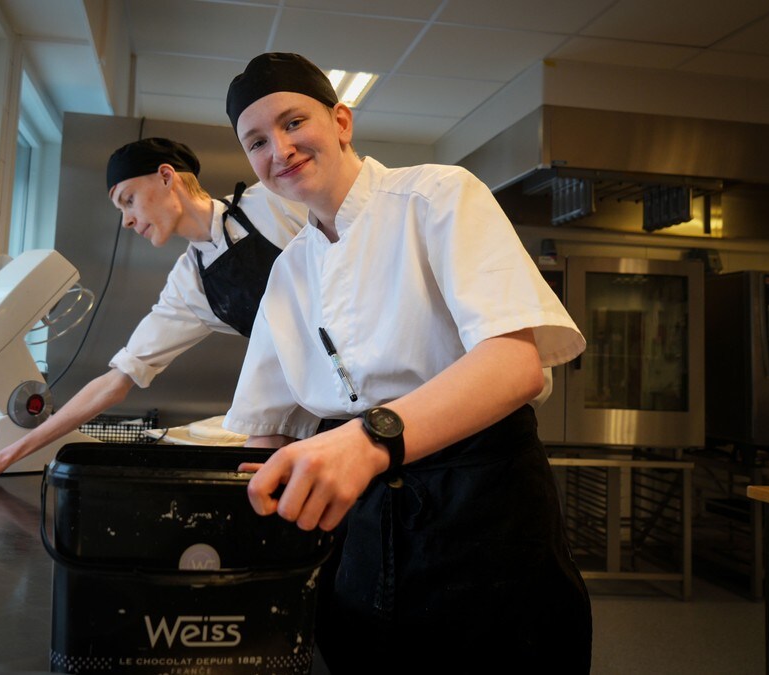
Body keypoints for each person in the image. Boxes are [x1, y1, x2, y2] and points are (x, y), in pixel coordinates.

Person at [220, 53, 593, 673]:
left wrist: (367, 441)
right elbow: (269, 422)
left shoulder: (438, 195)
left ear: (340, 121)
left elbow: (513, 365)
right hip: (360, 521)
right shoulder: (290, 270)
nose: (278, 149)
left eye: (292, 123)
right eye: (256, 141)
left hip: (481, 500)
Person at [0, 137, 307, 485]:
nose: (125, 220)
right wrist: (5, 456)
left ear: (165, 177)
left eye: (128, 199)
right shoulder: (190, 283)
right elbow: (116, 380)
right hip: (301, 390)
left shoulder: (272, 202)